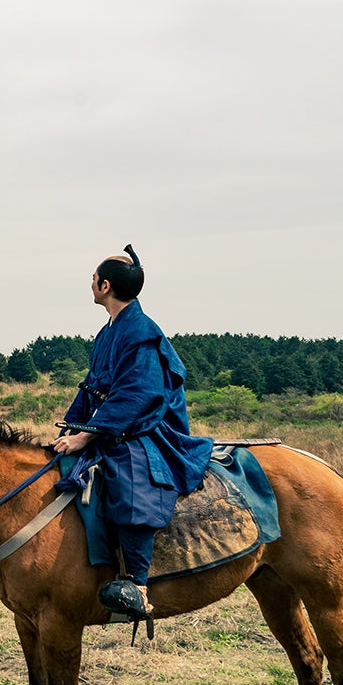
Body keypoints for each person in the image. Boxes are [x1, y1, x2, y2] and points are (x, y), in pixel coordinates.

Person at [50, 246, 213, 619]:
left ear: (105, 286)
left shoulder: (140, 332)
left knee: (132, 476)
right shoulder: (108, 332)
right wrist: (72, 428)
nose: (90, 283)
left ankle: (136, 583)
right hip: (113, 423)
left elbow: (137, 394)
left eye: (93, 278)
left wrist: (87, 435)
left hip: (146, 426)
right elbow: (92, 387)